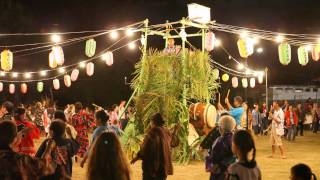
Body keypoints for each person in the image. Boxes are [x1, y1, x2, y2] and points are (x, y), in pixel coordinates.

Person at [205, 115, 236, 180]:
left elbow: (214, 158)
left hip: (221, 173)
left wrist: (207, 157)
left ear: (221, 128)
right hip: (233, 171)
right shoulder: (236, 139)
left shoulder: (219, 141)